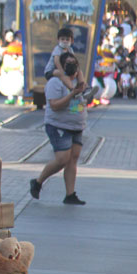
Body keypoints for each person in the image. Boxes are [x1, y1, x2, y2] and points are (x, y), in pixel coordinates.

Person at [30, 52, 88, 205]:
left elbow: (76, 107)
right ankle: (37, 181)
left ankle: (70, 194)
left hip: (76, 127)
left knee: (73, 159)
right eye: (68, 63)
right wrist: (72, 95)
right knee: (62, 159)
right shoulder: (55, 82)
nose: (71, 66)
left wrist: (82, 99)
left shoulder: (76, 83)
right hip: (58, 126)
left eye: (74, 63)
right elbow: (55, 105)